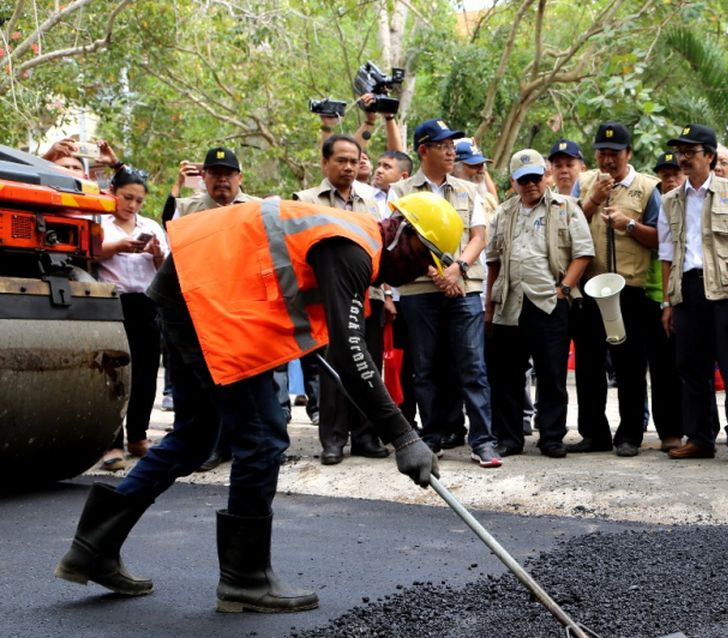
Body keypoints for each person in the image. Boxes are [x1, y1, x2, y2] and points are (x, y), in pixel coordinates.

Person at [54, 193, 454, 612]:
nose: (419, 273)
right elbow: (352, 355)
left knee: (195, 436)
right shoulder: (354, 250)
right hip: (206, 301)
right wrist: (404, 437)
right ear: (401, 233)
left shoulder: (348, 237)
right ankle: (245, 579)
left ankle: (92, 546)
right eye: (422, 256)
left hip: (189, 292)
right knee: (262, 437)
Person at [389, 119, 503, 468]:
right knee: (425, 367)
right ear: (423, 151)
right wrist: (438, 274)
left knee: (473, 365)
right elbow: (397, 242)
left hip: (465, 287)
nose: (451, 151)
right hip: (420, 290)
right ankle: (432, 436)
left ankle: (483, 441)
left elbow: (479, 236)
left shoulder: (470, 190)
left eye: (453, 145)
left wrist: (458, 269)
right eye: (442, 146)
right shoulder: (401, 192)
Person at [657, 123, 728, 464]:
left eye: (691, 152)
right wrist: (668, 301)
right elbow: (667, 253)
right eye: (681, 153)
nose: (684, 159)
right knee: (691, 368)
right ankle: (700, 438)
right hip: (687, 289)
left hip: (727, 289)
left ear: (710, 157)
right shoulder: (671, 199)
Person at [486, 149, 593, 457]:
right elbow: (493, 260)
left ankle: (551, 437)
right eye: (524, 180)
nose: (531, 185)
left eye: (535, 178)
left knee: (552, 374)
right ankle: (508, 438)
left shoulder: (566, 207)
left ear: (545, 176)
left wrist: (564, 288)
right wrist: (490, 305)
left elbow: (583, 253)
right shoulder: (504, 212)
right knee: (506, 376)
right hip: (509, 302)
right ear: (513, 182)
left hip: (548, 301)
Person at [294, 134, 391, 466]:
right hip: (327, 301)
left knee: (368, 366)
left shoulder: (372, 202)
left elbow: (381, 249)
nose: (348, 167)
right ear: (324, 163)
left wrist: (387, 295)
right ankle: (333, 440)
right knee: (335, 367)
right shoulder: (305, 200)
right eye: (341, 160)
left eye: (354, 160)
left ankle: (366, 435)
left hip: (370, 296)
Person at [570, 122, 662, 457]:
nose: (607, 160)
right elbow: (567, 227)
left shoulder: (649, 188)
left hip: (629, 290)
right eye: (601, 153)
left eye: (614, 154)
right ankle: (594, 433)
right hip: (589, 288)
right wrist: (592, 200)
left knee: (630, 365)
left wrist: (630, 224)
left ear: (628, 154)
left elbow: (661, 238)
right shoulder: (582, 183)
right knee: (589, 364)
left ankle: (629, 434)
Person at [172, 147, 260, 471]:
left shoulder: (256, 209)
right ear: (204, 177)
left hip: (243, 307)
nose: (222, 179)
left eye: (228, 173)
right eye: (215, 173)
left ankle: (241, 444)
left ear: (239, 177)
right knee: (205, 381)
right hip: (202, 308)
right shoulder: (186, 210)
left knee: (244, 379)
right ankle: (208, 445)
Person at [93, 168, 170, 471]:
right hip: (113, 303)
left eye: (138, 200)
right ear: (113, 192)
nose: (132, 205)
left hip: (146, 303)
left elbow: (164, 267)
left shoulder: (150, 226)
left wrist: (155, 255)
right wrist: (120, 247)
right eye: (127, 198)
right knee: (113, 375)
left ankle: (138, 436)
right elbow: (89, 254)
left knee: (146, 373)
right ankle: (112, 442)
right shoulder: (100, 223)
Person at [645, 152, 686, 451]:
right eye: (664, 174)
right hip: (656, 295)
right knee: (661, 371)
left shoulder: (694, 204)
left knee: (690, 369)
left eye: (675, 173)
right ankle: (668, 431)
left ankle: (697, 429)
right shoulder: (657, 208)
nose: (670, 179)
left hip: (691, 297)